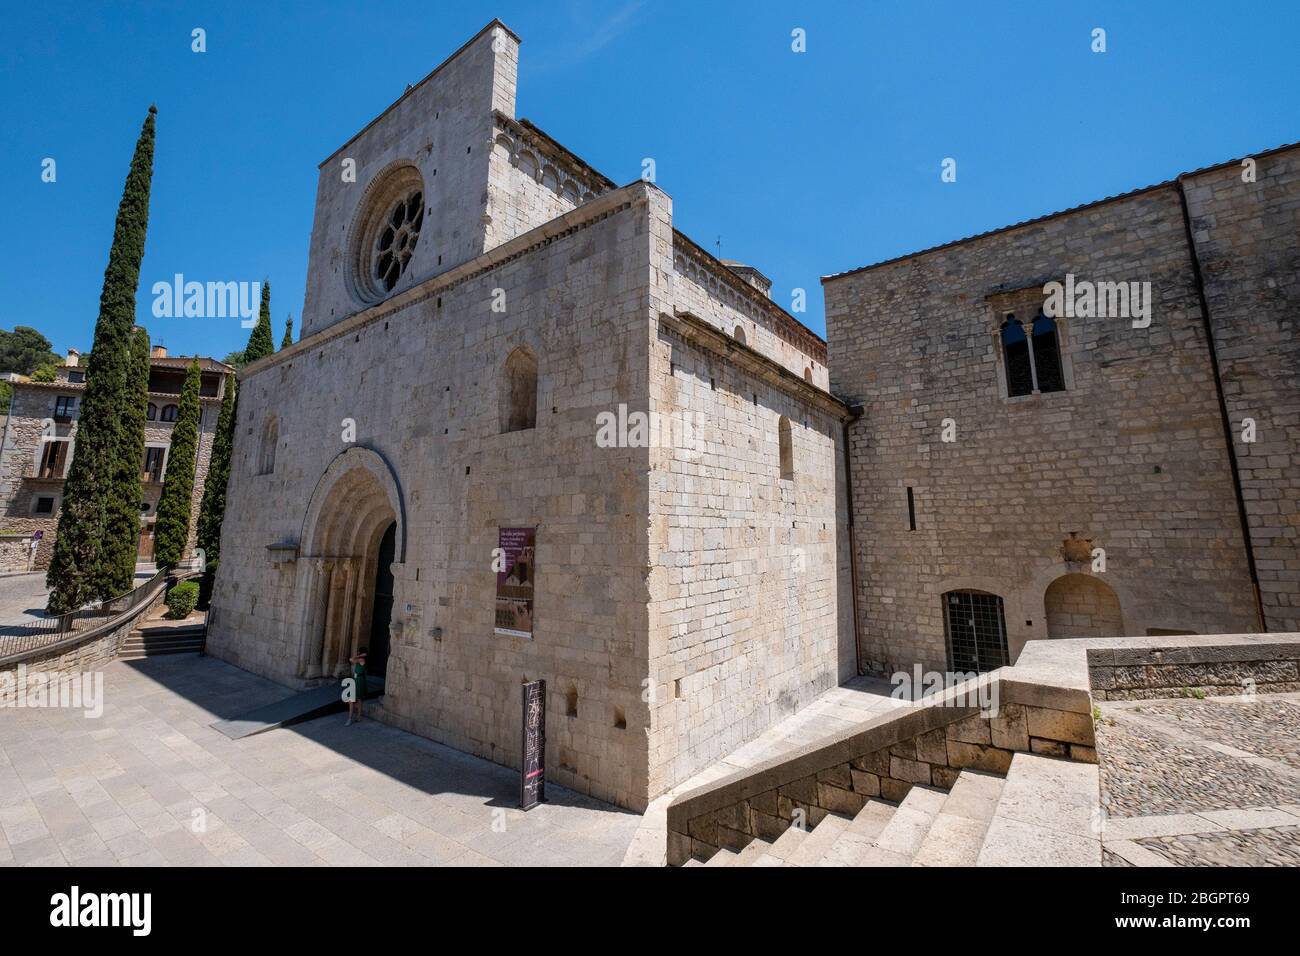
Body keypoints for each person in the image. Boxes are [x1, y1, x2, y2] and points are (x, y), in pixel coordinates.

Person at [346, 648, 368, 725]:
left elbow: (351, 659)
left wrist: (358, 655)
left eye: (359, 652)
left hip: (359, 680)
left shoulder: (361, 660)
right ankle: (358, 717)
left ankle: (350, 718)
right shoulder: (360, 659)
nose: (358, 653)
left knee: (353, 699)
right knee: (358, 700)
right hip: (357, 680)